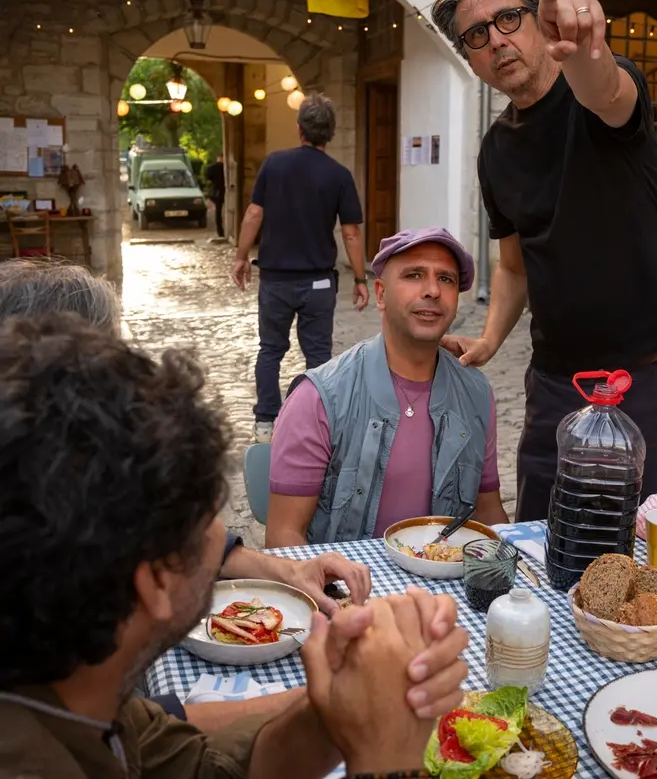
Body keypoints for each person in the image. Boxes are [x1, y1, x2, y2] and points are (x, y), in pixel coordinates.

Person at [0, 315, 470, 777]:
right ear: (156, 580)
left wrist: (336, 707)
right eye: (210, 518)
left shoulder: (81, 697)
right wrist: (387, 753)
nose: (224, 540)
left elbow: (203, 767)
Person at [431, 0, 657, 521]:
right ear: (470, 58)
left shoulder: (602, 93)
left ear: (540, 19)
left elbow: (608, 94)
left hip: (650, 376)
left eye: (509, 18)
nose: (496, 40)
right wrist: (490, 339)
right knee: (544, 539)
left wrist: (585, 53)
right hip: (559, 383)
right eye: (476, 35)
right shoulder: (496, 150)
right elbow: (514, 264)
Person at [0, 258, 371, 618]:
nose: (125, 379)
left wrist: (290, 571)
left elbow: (182, 539)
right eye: (109, 360)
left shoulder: (93, 457)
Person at [265, 227, 509, 548]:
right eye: (414, 275)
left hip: (445, 578)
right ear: (380, 294)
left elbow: (488, 512)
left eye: (446, 279)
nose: (432, 290)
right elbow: (284, 537)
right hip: (344, 578)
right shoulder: (320, 397)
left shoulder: (475, 392)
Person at [231, 92, 371, 444]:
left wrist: (240, 256)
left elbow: (254, 214)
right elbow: (351, 233)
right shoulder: (339, 175)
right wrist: (360, 278)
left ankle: (266, 423)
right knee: (319, 356)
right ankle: (316, 421)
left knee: (270, 350)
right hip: (318, 283)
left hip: (275, 280)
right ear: (331, 133)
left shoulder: (274, 164)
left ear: (299, 129)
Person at [205, 152, 226, 238]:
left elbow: (208, 181)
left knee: (218, 211)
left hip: (217, 191)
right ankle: (224, 230)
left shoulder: (211, 168)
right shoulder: (226, 167)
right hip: (225, 190)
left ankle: (220, 231)